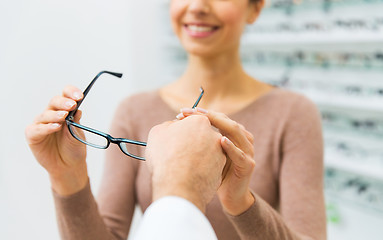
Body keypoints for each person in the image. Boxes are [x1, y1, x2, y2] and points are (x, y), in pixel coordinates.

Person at [25, 0, 327, 239]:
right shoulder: (134, 110)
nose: (197, 5)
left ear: (256, 7)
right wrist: (67, 179)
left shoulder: (293, 113)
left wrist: (242, 204)